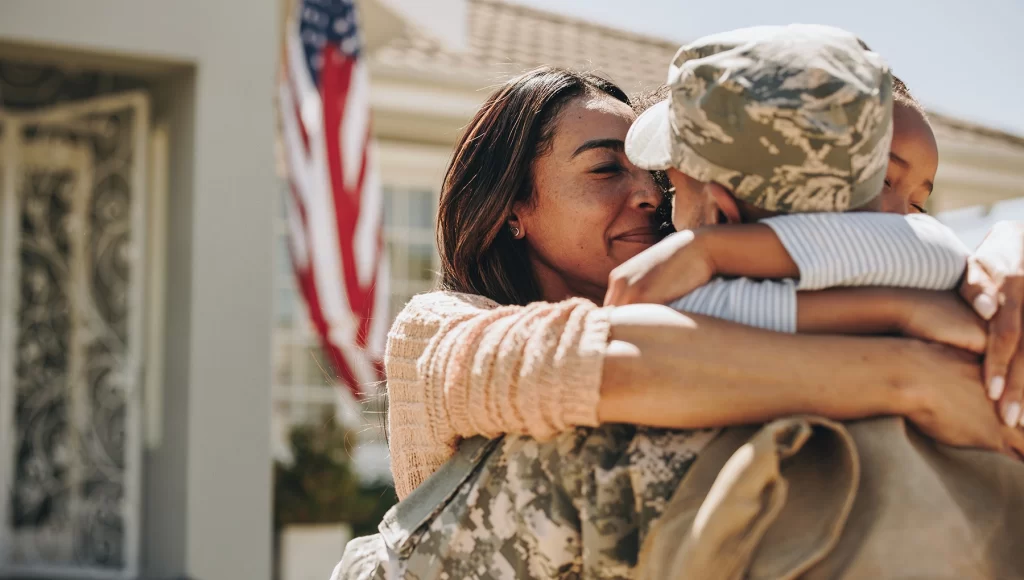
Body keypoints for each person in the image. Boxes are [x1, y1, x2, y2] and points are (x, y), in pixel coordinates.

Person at [336, 26, 1024, 579]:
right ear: (511, 207)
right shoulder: (437, 329)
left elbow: (890, 249)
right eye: (605, 169)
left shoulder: (720, 293)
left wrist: (1003, 260)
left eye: (659, 178)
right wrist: (914, 371)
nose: (650, 196)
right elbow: (603, 359)